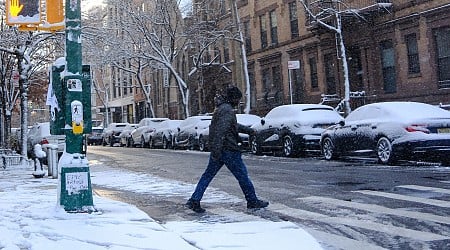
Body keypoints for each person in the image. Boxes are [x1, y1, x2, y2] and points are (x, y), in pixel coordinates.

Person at [186, 85, 269, 213]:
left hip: (220, 149)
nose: (239, 102)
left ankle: (194, 200)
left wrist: (249, 131)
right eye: (238, 99)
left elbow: (232, 126)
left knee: (208, 175)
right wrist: (217, 152)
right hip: (228, 150)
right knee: (242, 176)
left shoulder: (222, 108)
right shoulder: (226, 110)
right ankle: (252, 201)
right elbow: (221, 131)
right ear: (234, 98)